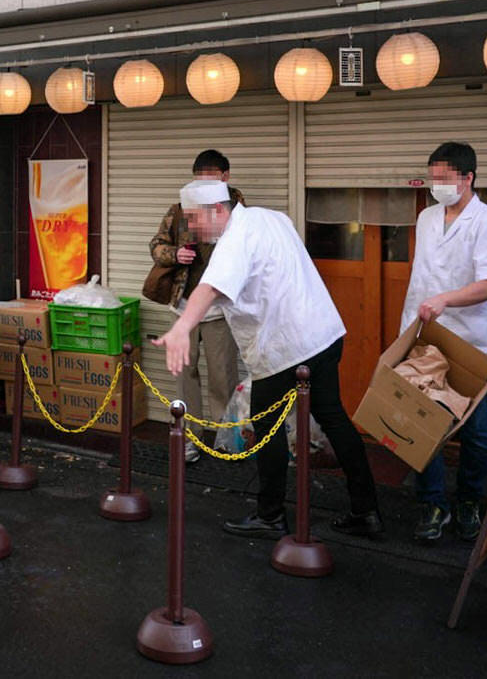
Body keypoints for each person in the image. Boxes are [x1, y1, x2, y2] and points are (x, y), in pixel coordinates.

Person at [156, 179, 382, 539]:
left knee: (267, 425)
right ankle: (366, 510)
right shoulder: (271, 217)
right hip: (323, 335)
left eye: (195, 219)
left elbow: (209, 288)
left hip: (287, 348)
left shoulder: (234, 240)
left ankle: (271, 515)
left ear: (219, 210)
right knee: (334, 417)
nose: (191, 228)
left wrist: (182, 327)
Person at [401, 141, 487, 544]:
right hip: (425, 335)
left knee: (477, 430)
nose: (437, 186)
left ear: (468, 178)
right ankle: (432, 502)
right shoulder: (427, 218)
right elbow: (423, 275)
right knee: (422, 420)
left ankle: (469, 501)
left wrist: (446, 300)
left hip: (473, 340)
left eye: (444, 179)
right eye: (433, 178)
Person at [146, 149, 245, 463]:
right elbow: (156, 245)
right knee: (184, 376)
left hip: (220, 310)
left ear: (225, 178)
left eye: (211, 179)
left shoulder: (238, 210)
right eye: (198, 179)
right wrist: (175, 255)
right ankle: (190, 439)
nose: (203, 186)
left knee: (223, 376)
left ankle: (226, 440)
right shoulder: (179, 209)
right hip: (183, 305)